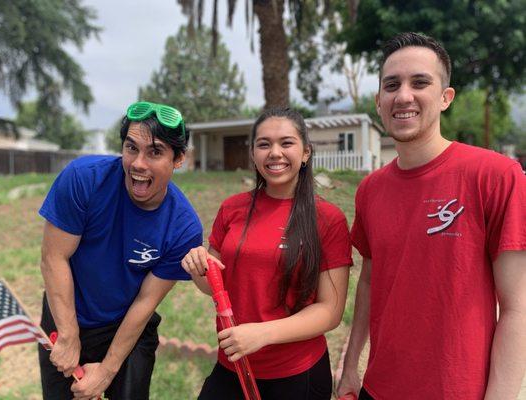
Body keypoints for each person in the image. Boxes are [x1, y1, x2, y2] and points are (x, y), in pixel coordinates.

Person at [336, 32, 526, 400]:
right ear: (379, 101)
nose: (403, 95)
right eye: (392, 85)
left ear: (445, 97)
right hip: (378, 388)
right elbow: (370, 282)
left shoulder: (495, 175)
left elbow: (518, 306)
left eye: (419, 82)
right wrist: (349, 367)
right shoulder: (370, 189)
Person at [182, 107, 352, 399]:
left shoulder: (327, 218)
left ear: (306, 152)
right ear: (253, 154)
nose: (274, 152)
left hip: (298, 374)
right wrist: (200, 268)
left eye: (286, 143)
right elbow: (213, 286)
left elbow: (330, 311)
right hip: (233, 366)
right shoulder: (232, 209)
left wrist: (262, 334)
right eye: (264, 144)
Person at [38, 101, 203, 399]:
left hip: (126, 323)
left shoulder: (184, 228)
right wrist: (68, 334)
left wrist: (107, 371)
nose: (138, 163)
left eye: (154, 152)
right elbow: (54, 257)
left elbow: (145, 301)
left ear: (178, 159)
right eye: (131, 148)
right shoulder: (82, 179)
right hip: (66, 312)